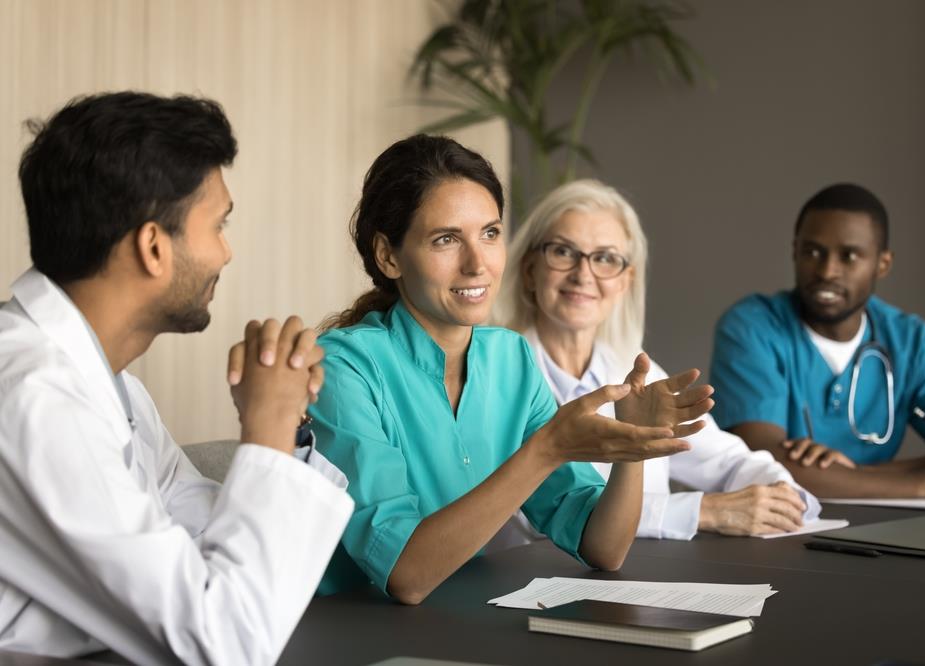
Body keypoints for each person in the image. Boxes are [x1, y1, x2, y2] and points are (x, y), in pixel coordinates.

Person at [0, 92, 354, 664]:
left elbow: (204, 537)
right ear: (154, 247)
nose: (226, 252)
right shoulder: (32, 398)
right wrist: (265, 426)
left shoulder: (111, 389)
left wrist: (283, 427)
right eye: (219, 225)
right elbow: (224, 644)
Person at [309, 135, 714, 604]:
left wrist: (634, 449)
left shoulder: (510, 359)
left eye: (490, 233)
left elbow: (603, 547)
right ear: (389, 256)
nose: (477, 264)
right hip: (350, 630)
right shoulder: (341, 368)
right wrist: (546, 450)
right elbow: (406, 574)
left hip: (462, 622)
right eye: (446, 239)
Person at [488, 179, 818, 545]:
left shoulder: (632, 371)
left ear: (626, 281)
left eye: (604, 258)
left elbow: (725, 459)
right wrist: (704, 510)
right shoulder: (492, 373)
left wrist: (784, 495)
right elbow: (533, 515)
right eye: (564, 252)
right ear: (531, 268)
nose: (584, 274)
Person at [710, 183, 925, 498]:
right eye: (812, 251)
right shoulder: (753, 327)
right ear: (794, 251)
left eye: (849, 256)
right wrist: (923, 481)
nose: (827, 270)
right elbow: (764, 466)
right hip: (778, 531)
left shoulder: (909, 339)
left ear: (882, 264)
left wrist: (857, 474)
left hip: (885, 530)